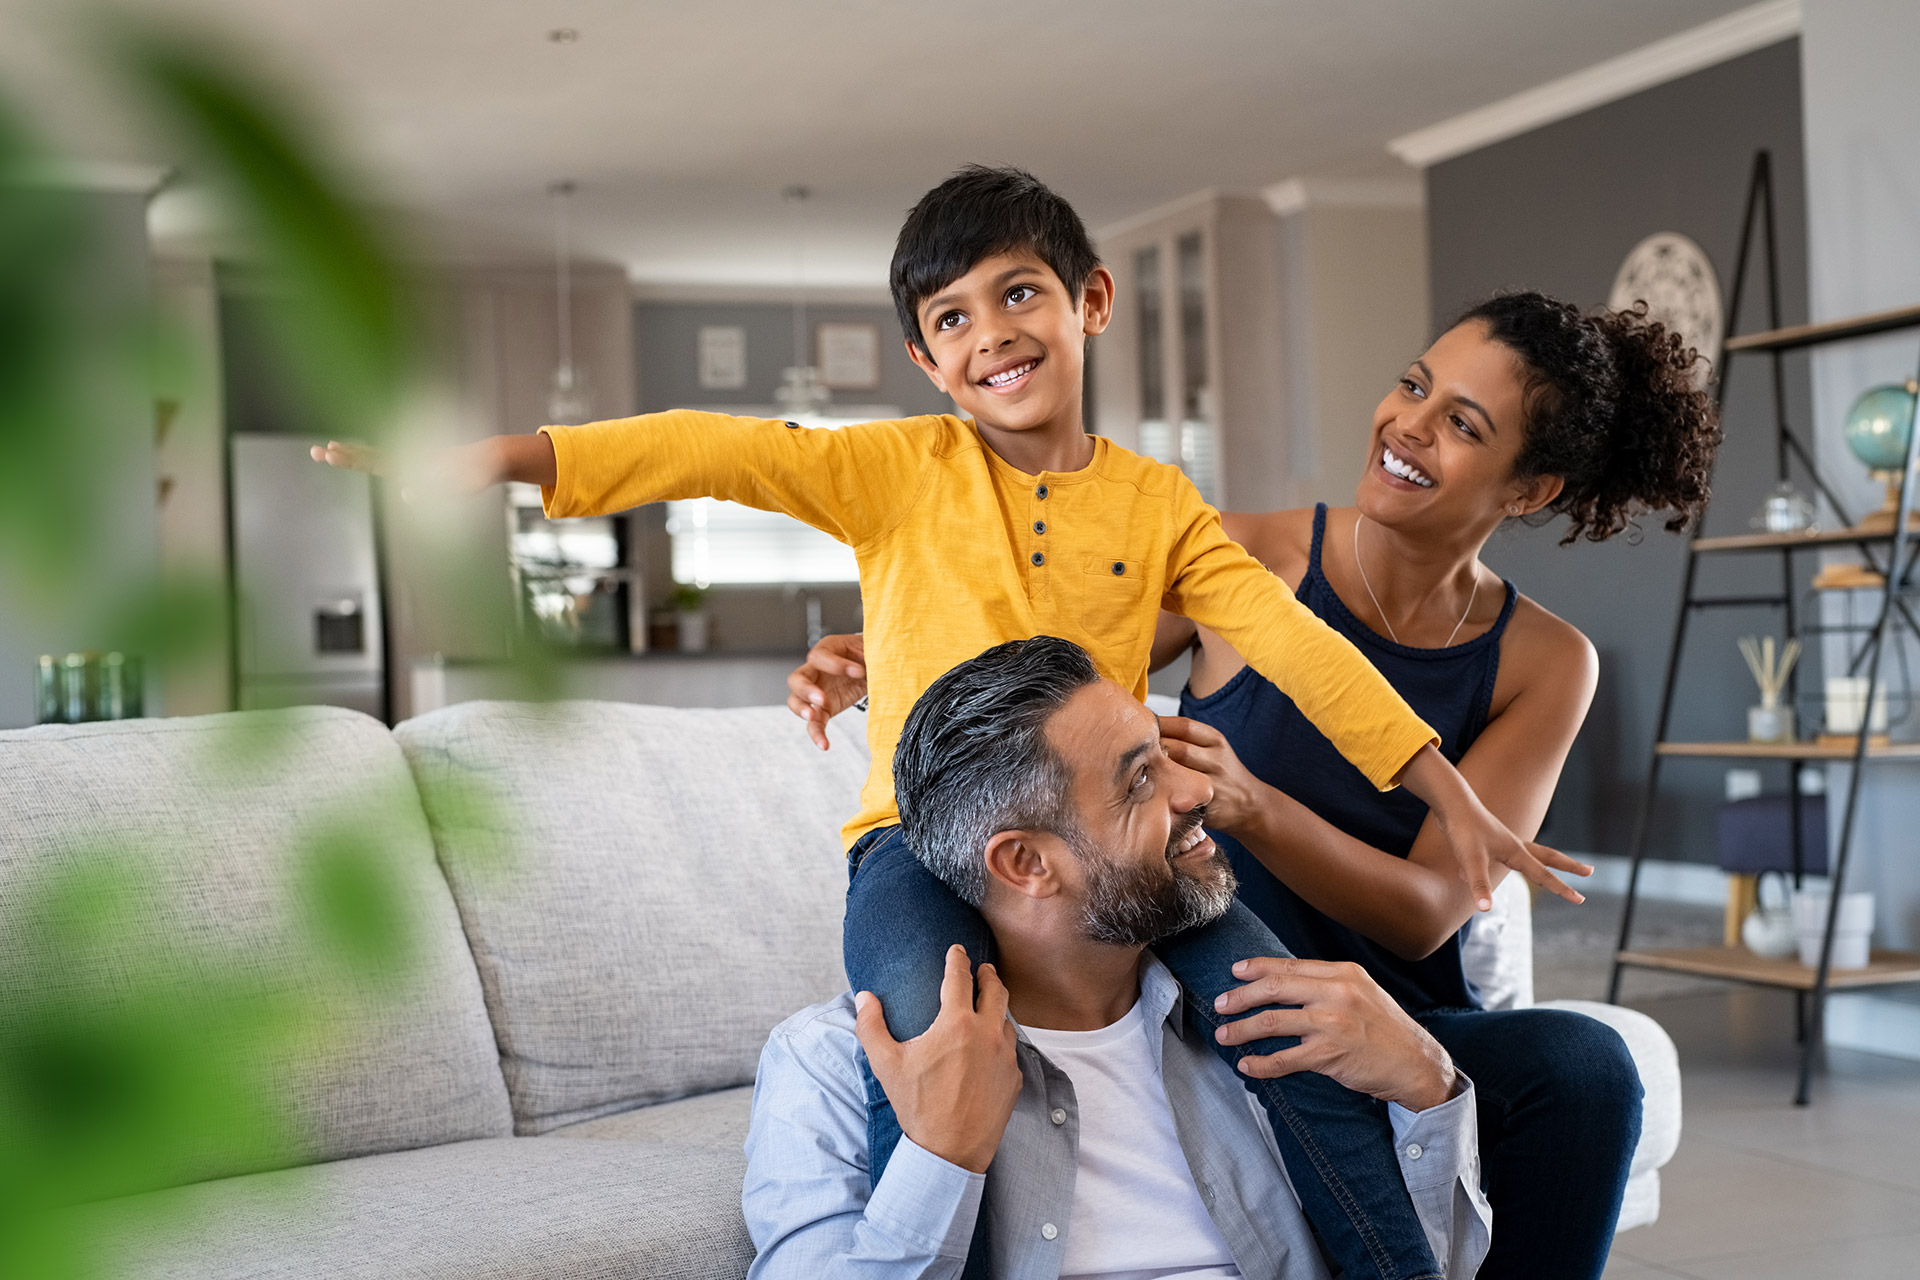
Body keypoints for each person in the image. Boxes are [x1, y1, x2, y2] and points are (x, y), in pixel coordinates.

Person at [316, 166, 1583, 1280]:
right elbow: (714, 450)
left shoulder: (1159, 506)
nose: (992, 333)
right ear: (927, 362)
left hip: (1111, 846)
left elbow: (1304, 645)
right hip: (914, 846)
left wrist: (1448, 790)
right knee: (928, 1050)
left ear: (1088, 300)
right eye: (952, 318)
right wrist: (495, 459)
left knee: (1288, 1030)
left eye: (1019, 293)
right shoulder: (898, 469)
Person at [789, 290, 1720, 1279]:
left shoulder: (1545, 659)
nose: (1409, 424)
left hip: (1389, 1010)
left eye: (1462, 423)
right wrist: (887, 659)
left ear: (1528, 488)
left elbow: (1425, 915)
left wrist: (1253, 807)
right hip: (1210, 1001)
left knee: (1587, 1068)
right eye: (1414, 384)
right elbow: (1054, 680)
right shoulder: (1244, 553)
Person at [744, 636, 1490, 1278]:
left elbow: (1424, 1263)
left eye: (1169, 758)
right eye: (1142, 781)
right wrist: (940, 1157)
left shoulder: (1273, 1026)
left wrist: (1426, 1086)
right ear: (1027, 864)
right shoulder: (831, 1065)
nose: (1200, 790)